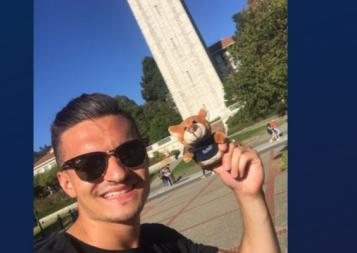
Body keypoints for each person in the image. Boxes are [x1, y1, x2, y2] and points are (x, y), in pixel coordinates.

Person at [35, 93, 280, 253]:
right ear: (66, 183)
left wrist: (249, 196)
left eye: (130, 152)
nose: (118, 174)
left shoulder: (163, 240)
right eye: (89, 165)